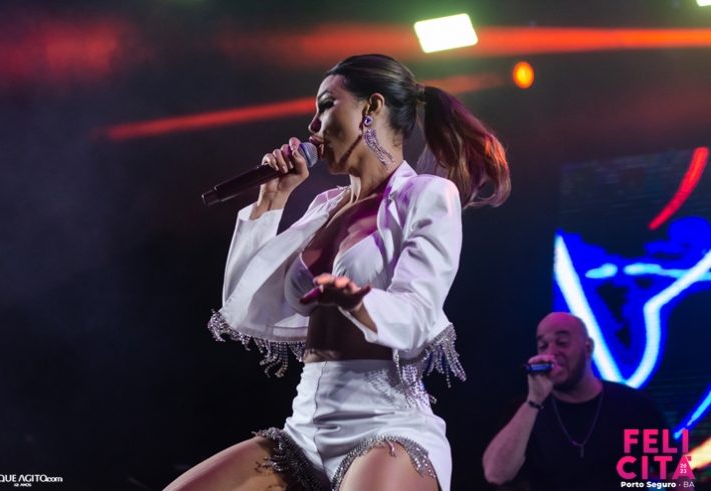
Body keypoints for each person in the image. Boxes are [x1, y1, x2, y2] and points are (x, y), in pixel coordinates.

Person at [165, 53, 510, 491]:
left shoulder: (427, 195)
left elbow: (418, 313)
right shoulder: (323, 207)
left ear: (372, 108)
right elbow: (241, 309)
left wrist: (358, 300)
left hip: (385, 426)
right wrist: (272, 199)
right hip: (303, 430)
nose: (313, 125)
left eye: (326, 105)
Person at [482, 312, 669, 490]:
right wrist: (534, 400)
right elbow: (495, 474)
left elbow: (677, 471)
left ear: (588, 348)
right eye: (543, 346)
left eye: (562, 342)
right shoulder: (527, 410)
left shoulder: (636, 405)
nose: (551, 353)